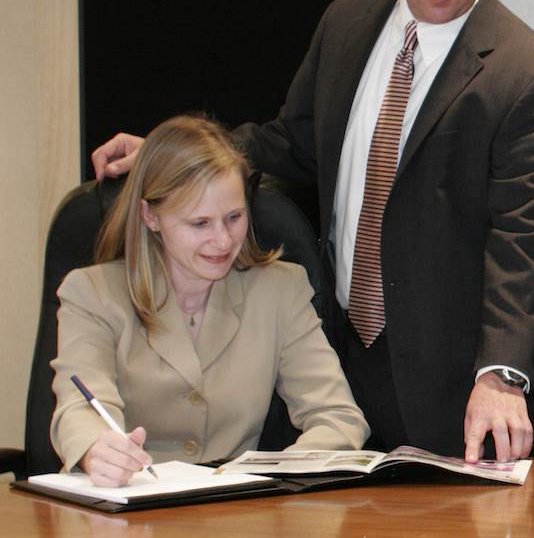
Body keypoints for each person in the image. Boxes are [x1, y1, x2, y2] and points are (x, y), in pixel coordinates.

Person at [89, 0, 534, 463]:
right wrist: (169, 152)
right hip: (332, 362)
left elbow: (531, 247)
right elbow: (289, 145)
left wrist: (500, 376)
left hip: (460, 393)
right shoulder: (347, 24)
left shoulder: (533, 75)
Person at [51, 115, 368, 487]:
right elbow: (79, 409)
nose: (222, 241)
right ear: (151, 216)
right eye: (199, 224)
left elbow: (337, 417)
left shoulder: (280, 290)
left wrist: (270, 479)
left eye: (234, 217)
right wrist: (96, 450)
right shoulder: (92, 293)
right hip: (127, 506)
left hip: (238, 511)